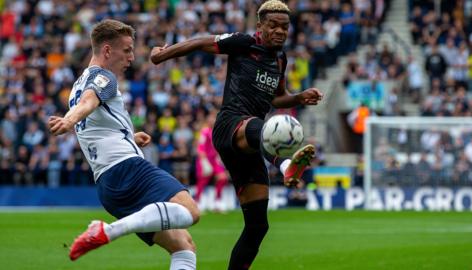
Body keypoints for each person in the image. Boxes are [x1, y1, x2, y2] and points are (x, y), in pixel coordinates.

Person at [150, 1, 323, 269]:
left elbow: (277, 98)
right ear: (260, 26)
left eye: (285, 27)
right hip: (230, 125)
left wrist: (299, 97)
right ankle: (287, 164)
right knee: (262, 127)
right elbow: (199, 42)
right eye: (273, 25)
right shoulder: (243, 43)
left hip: (252, 141)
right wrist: (163, 54)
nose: (279, 31)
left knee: (257, 226)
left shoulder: (280, 59)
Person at [47, 19, 200, 270]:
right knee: (190, 211)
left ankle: (108, 229)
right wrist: (68, 120)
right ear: (107, 50)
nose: (132, 57)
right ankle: (108, 231)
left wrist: (130, 136)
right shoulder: (103, 77)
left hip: (108, 186)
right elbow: (88, 103)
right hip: (126, 169)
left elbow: (93, 120)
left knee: (183, 245)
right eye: (127, 49)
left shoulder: (78, 83)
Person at [194, 109, 228, 208]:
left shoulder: (217, 132)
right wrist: (204, 161)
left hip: (215, 159)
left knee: (223, 178)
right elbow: (200, 147)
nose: (212, 120)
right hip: (205, 159)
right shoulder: (204, 131)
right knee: (202, 181)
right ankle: (197, 202)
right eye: (211, 118)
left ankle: (217, 201)